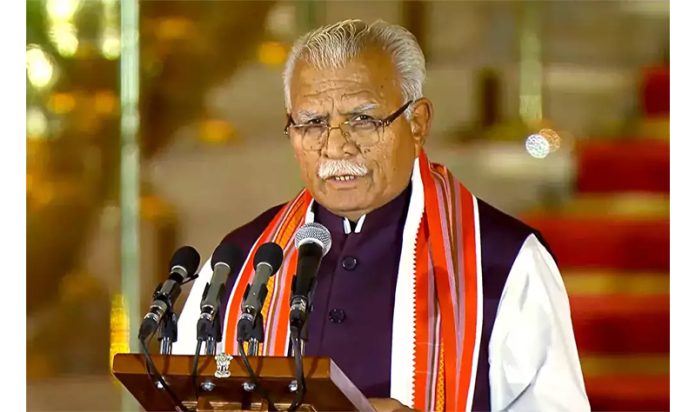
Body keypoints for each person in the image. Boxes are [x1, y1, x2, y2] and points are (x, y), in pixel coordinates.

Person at [174, 19, 590, 412]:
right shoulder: (242, 263)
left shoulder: (502, 261)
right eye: (312, 123)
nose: (336, 147)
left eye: (362, 120)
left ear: (417, 123)